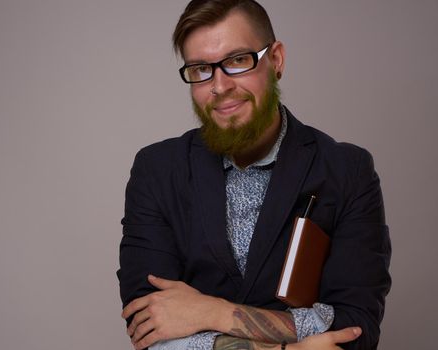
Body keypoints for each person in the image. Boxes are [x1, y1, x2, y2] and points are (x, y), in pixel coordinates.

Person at [117, 1, 391, 349]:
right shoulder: (156, 169)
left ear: (275, 60)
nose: (219, 86)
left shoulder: (347, 170)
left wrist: (213, 313)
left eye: (236, 61)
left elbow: (356, 328)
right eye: (201, 68)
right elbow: (148, 326)